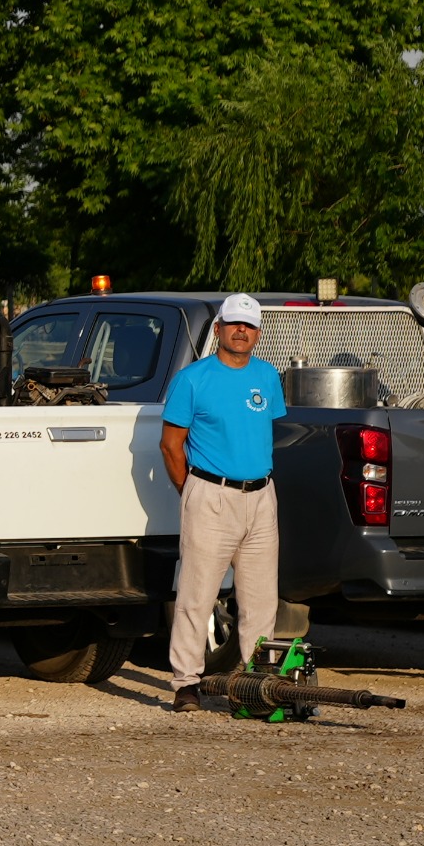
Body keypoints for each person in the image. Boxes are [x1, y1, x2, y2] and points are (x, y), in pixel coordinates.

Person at [159, 292, 285, 713]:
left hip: (261, 495)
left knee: (261, 598)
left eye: (249, 326)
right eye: (234, 324)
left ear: (258, 333)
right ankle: (186, 682)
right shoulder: (193, 379)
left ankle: (256, 685)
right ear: (219, 330)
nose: (241, 332)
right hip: (211, 492)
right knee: (198, 594)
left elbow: (262, 432)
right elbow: (170, 446)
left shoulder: (267, 377)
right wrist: (194, 493)